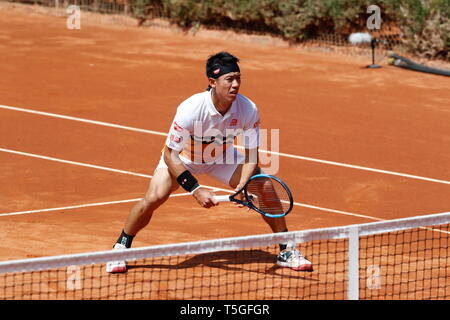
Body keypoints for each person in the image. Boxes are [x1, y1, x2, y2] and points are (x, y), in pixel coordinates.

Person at [106, 51, 313, 273]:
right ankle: (121, 246)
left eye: (238, 78)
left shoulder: (248, 108)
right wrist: (195, 190)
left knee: (263, 185)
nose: (235, 85)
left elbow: (253, 154)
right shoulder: (191, 109)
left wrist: (243, 185)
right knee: (154, 196)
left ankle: (286, 248)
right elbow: (170, 155)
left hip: (222, 158)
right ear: (212, 82)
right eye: (229, 79)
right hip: (184, 158)